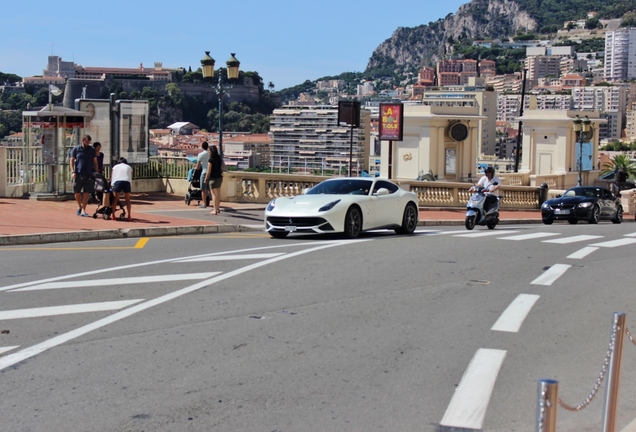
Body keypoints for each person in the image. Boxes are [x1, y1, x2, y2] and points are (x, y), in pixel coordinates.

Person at [69, 135, 98, 217]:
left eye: (89, 142)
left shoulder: (91, 149)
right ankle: (79, 206)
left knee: (86, 192)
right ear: (83, 140)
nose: (88, 143)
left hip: (88, 173)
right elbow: (71, 161)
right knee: (77, 192)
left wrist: (96, 172)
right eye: (87, 141)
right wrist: (72, 172)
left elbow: (95, 161)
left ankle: (84, 209)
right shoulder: (76, 149)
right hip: (78, 173)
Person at [110, 157, 133, 221]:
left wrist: (112, 185)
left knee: (115, 199)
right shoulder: (128, 167)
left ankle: (113, 215)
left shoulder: (115, 167)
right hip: (126, 182)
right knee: (128, 200)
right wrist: (130, 185)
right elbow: (130, 176)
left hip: (117, 182)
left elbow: (112, 176)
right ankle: (129, 216)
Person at [204, 145, 224, 215]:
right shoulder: (219, 158)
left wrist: (206, 179)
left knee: (214, 195)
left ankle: (215, 210)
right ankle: (217, 208)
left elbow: (208, 171)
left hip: (213, 178)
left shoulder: (211, 160)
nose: (208, 152)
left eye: (209, 151)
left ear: (212, 151)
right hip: (219, 177)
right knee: (217, 194)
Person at [195, 141, 210, 208]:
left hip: (204, 172)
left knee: (203, 190)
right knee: (211, 189)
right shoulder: (210, 154)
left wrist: (195, 169)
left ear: (202, 147)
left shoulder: (200, 155)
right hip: (212, 173)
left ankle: (204, 204)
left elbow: (198, 167)